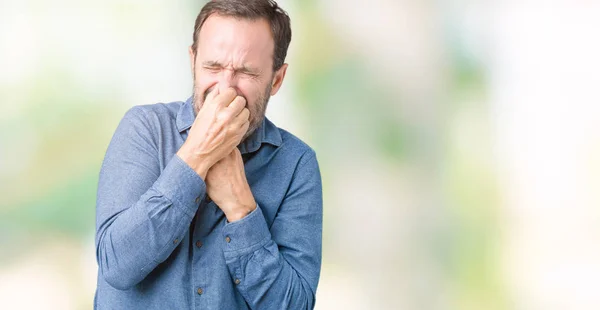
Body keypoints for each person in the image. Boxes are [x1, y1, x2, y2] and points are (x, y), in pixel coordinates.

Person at [93, 0, 323, 309]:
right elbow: (117, 265)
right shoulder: (144, 129)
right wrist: (196, 158)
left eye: (246, 72)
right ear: (193, 61)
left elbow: (294, 305)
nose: (224, 88)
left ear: (276, 79)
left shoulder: (296, 164)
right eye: (213, 67)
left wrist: (241, 208)